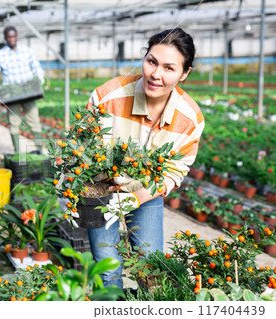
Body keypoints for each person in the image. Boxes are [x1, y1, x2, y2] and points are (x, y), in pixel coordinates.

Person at [65, 28, 205, 290]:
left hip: (145, 192)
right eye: (151, 61)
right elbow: (79, 148)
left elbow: (174, 171)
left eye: (169, 68)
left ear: (184, 74)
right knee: (107, 271)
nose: (156, 74)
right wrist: (75, 193)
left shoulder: (190, 118)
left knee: (151, 271)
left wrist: (135, 197)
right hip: (101, 191)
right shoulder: (107, 97)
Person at [0, 26, 45, 153]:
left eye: (14, 36)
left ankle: (40, 150)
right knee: (13, 123)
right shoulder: (0, 55)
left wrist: (39, 79)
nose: (12, 39)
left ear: (17, 36)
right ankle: (17, 151)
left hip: (29, 92)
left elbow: (36, 66)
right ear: (5, 38)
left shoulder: (26, 51)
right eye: (9, 37)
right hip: (11, 94)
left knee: (34, 120)